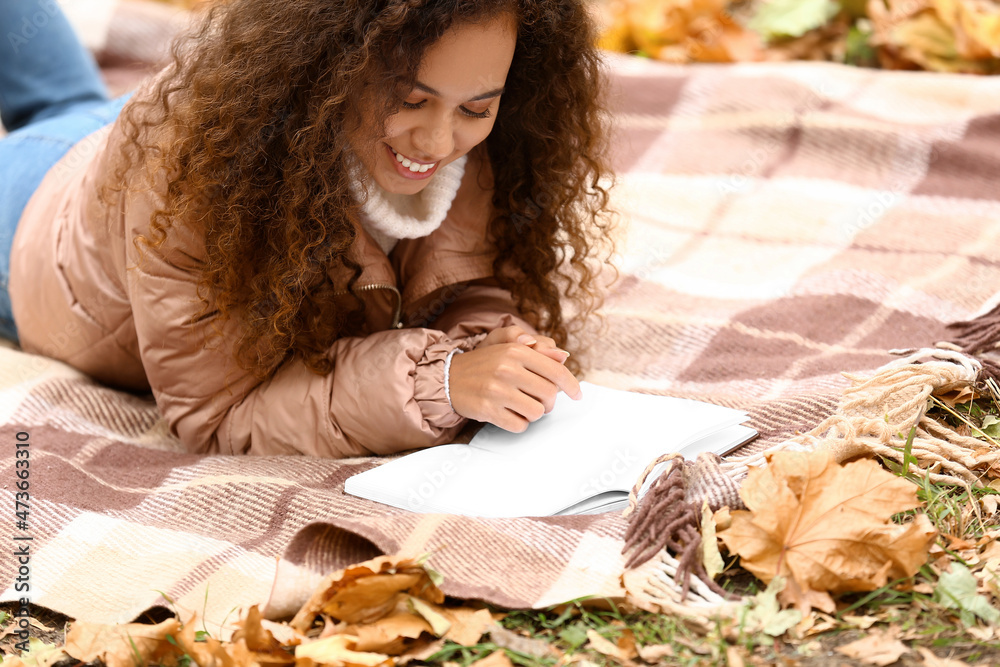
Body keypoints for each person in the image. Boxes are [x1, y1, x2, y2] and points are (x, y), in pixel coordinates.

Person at [0, 0, 615, 458]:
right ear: (331, 64)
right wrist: (441, 382)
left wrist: (491, 349)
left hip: (113, 141)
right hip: (35, 216)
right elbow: (220, 413)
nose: (436, 142)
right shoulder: (192, 162)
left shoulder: (483, 143)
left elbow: (468, 278)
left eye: (476, 109)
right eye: (409, 99)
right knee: (52, 116)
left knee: (61, 101)